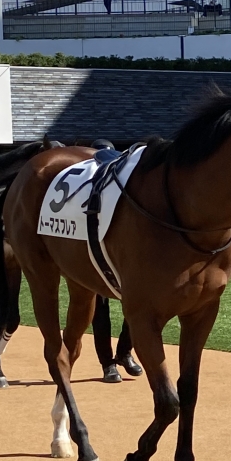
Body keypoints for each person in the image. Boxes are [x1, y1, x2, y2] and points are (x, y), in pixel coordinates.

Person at [90, 139, 143, 383]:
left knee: (138, 304)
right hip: (96, 249)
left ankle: (124, 353)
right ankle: (107, 364)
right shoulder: (93, 183)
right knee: (99, 311)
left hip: (123, 250)